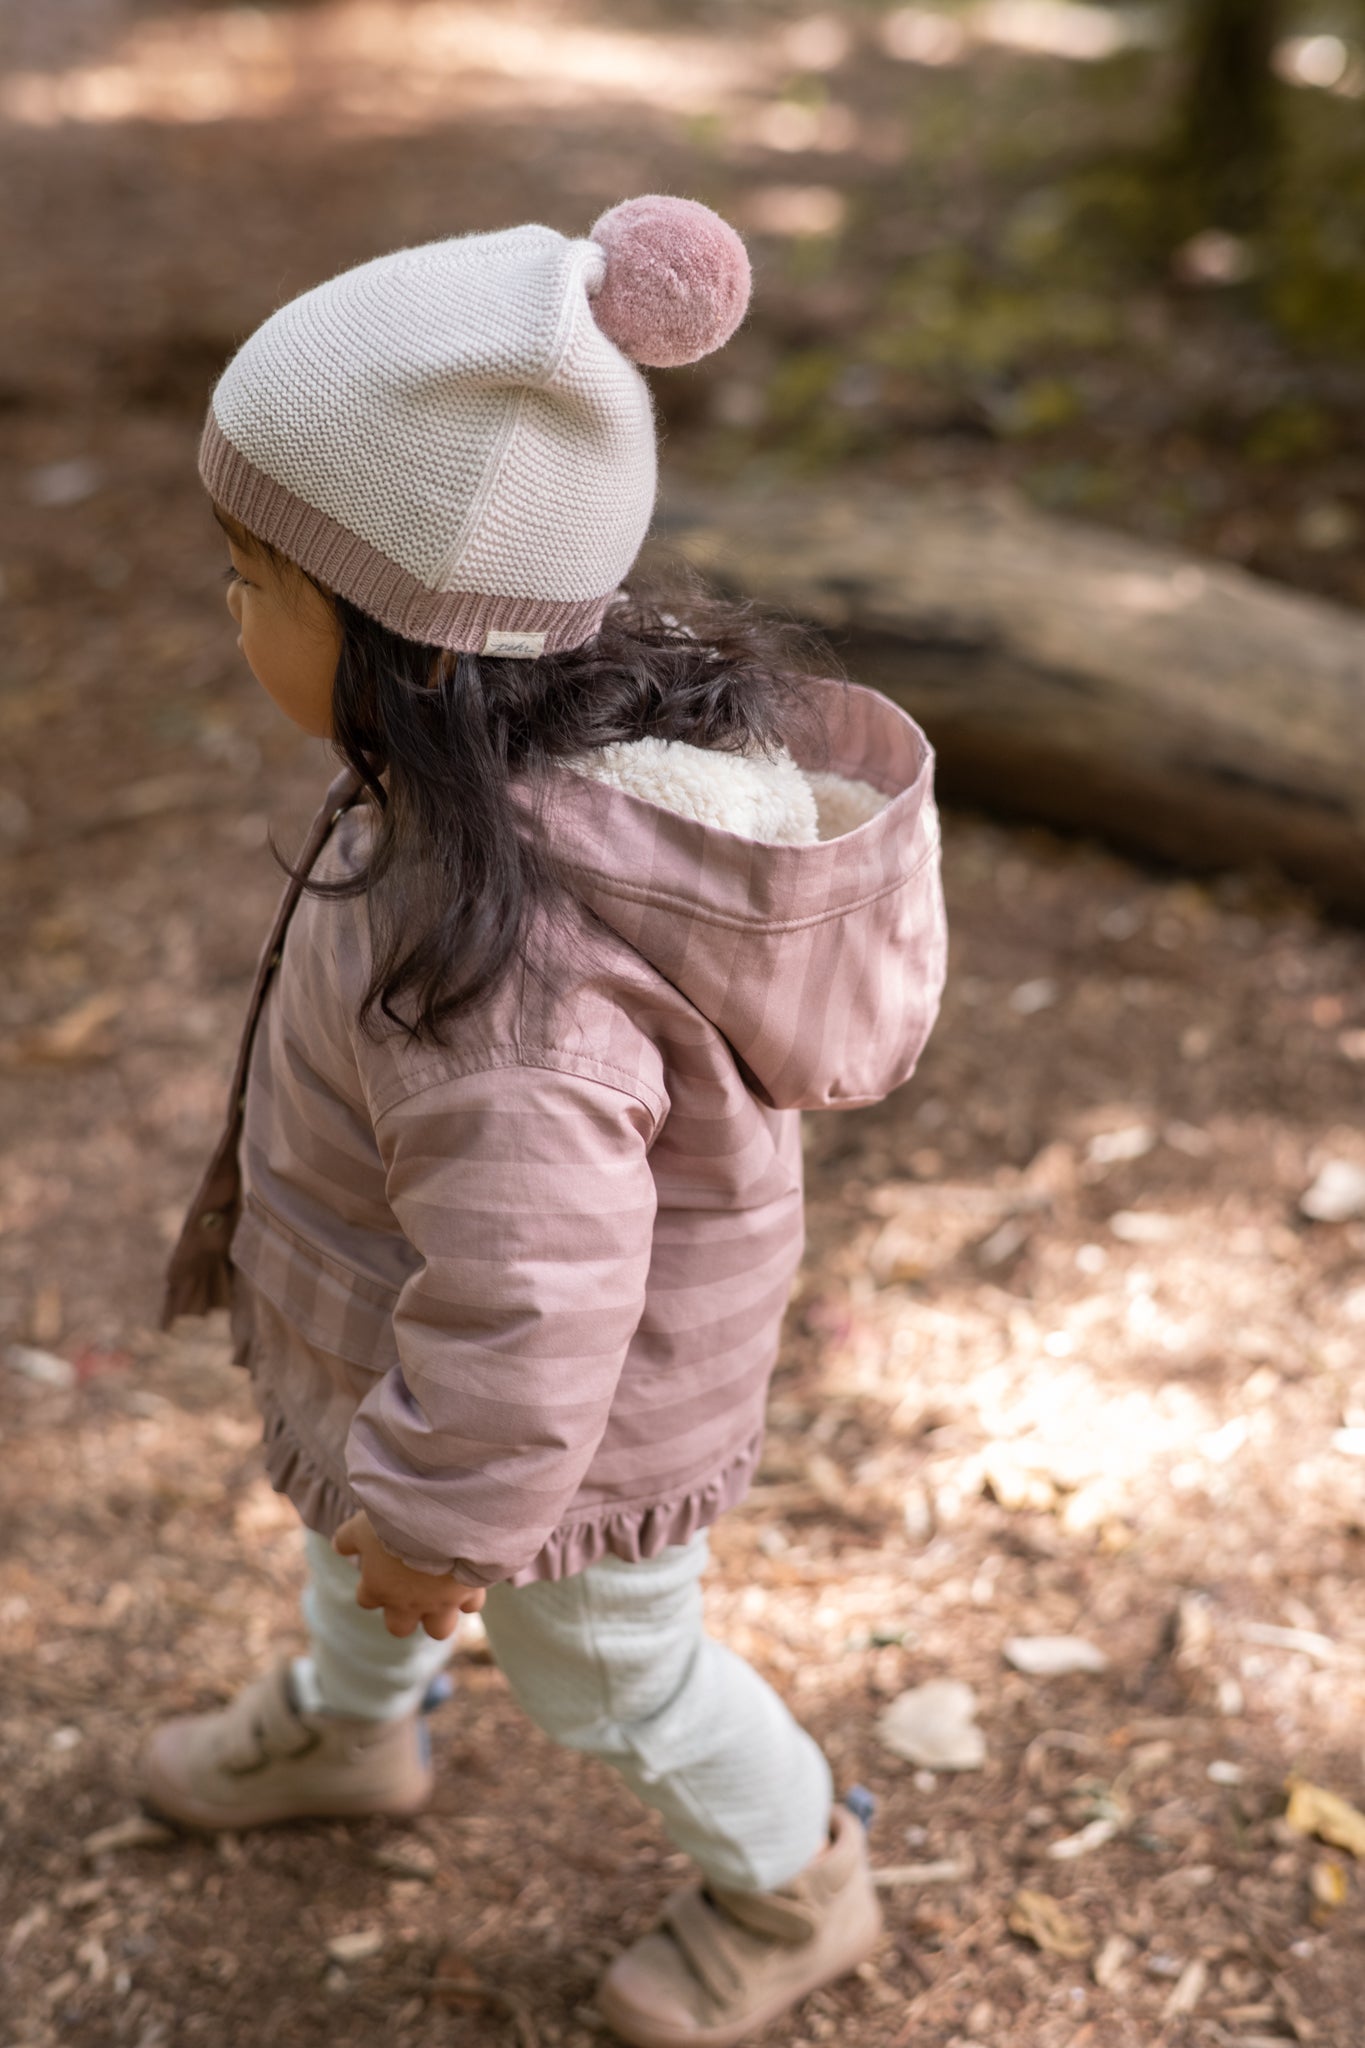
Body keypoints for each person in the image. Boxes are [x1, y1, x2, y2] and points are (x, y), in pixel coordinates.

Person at [141, 195, 947, 2048]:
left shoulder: (508, 980)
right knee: (354, 1527)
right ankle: (353, 1732)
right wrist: (403, 1493)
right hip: (414, 1375)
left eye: (259, 581)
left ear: (409, 642)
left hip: (553, 1447)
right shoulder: (462, 792)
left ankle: (797, 1874)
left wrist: (446, 1516)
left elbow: (534, 1298)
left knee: (608, 1672)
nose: (229, 607)